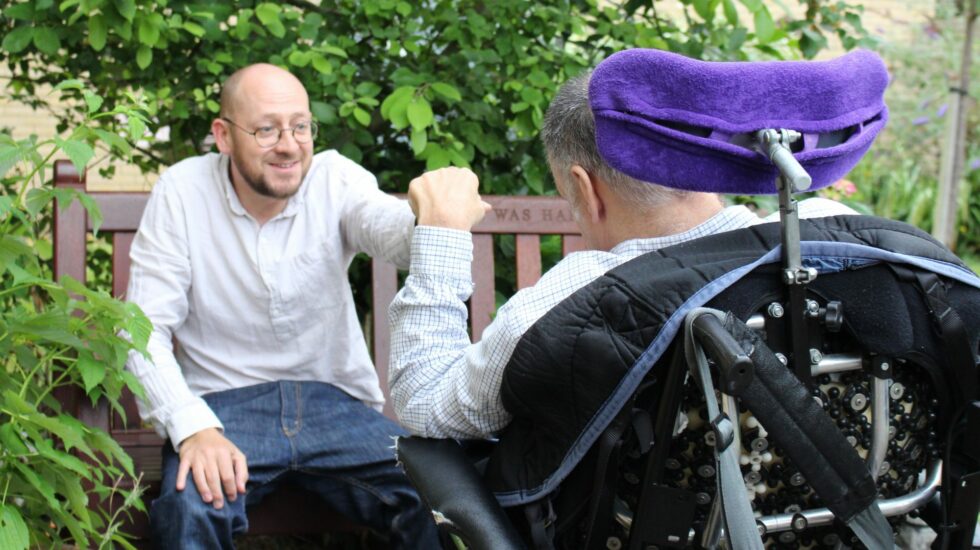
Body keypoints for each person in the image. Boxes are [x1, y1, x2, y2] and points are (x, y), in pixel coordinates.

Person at [388, 70, 856, 440]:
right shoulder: (837, 235)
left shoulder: (569, 301)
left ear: (584, 188)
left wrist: (442, 233)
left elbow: (426, 401)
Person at [125, 63, 438, 548]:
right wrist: (191, 427)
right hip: (225, 410)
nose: (290, 145)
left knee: (437, 494)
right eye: (267, 129)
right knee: (190, 509)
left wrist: (432, 216)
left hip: (334, 405)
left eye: (300, 126)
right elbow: (140, 329)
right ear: (223, 136)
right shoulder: (182, 192)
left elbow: (390, 230)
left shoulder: (335, 179)